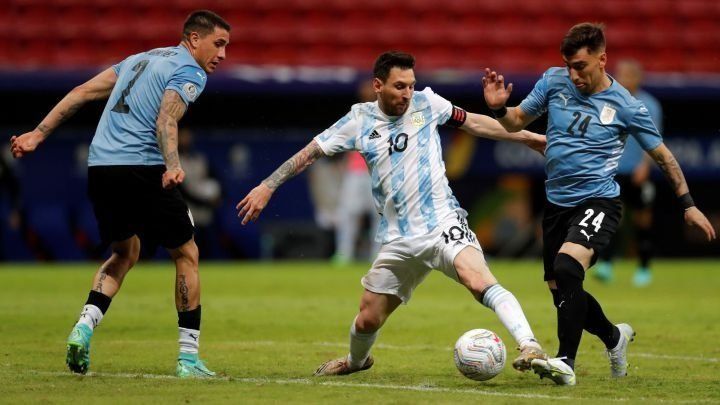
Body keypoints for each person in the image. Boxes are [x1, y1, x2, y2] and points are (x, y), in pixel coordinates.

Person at [238, 51, 550, 377]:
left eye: (411, 85)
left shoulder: (427, 104)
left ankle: (530, 345)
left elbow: (474, 122)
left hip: (443, 224)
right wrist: (268, 185)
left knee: (478, 280)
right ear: (378, 85)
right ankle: (356, 362)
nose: (407, 93)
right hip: (399, 239)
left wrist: (529, 138)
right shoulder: (359, 120)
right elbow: (311, 152)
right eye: (400, 86)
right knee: (367, 318)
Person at [483, 22, 716, 385]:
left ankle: (565, 362)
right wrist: (500, 109)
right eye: (569, 66)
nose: (573, 75)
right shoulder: (553, 81)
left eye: (580, 66)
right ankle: (614, 337)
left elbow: (664, 157)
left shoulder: (628, 106)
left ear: (602, 59)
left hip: (599, 201)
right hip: (556, 204)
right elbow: (516, 122)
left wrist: (688, 204)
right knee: (563, 290)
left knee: (566, 268)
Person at [10, 10, 230, 378]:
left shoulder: (138, 59)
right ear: (194, 39)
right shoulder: (190, 70)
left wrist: (37, 133)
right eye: (218, 44)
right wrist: (173, 164)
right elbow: (166, 119)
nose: (222, 54)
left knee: (125, 252)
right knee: (186, 253)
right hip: (142, 166)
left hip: (101, 167)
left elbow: (81, 92)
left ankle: (83, 326)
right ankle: (189, 359)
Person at [595, 59, 663, 287]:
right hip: (614, 170)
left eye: (627, 75)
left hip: (638, 171)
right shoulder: (609, 101)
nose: (623, 79)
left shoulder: (649, 105)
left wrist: (645, 165)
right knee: (613, 217)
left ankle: (644, 268)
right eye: (620, 74)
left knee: (642, 220)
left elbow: (654, 139)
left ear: (637, 78)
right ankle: (606, 265)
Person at [333, 80, 380, 264]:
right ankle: (344, 254)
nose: (368, 95)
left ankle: (377, 256)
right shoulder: (356, 114)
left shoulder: (387, 114)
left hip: (378, 172)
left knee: (379, 216)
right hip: (355, 171)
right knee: (348, 213)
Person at [178, 128, 222, 259]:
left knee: (205, 246)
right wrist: (205, 202)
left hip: (203, 213)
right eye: (182, 136)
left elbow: (215, 179)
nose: (186, 140)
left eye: (188, 136)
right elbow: (181, 190)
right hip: (185, 209)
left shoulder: (200, 159)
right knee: (185, 250)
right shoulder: (174, 161)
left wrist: (215, 198)